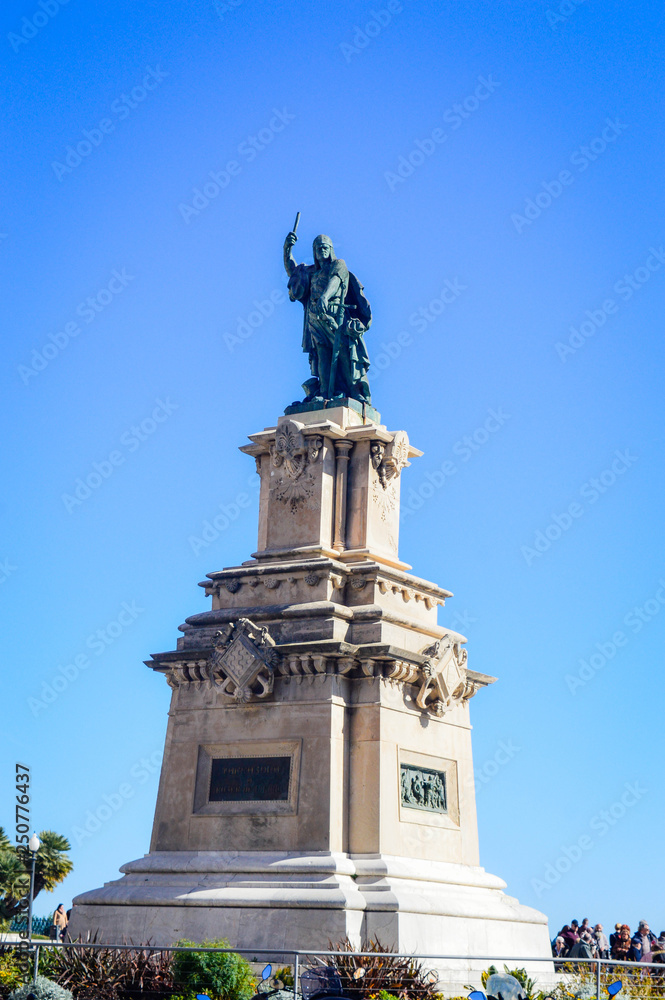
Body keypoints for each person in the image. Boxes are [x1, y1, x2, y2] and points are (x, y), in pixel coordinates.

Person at [283, 231, 372, 405]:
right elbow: (292, 271)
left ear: (330, 249)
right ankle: (324, 391)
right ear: (314, 252)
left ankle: (354, 391)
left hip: (335, 316)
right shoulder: (311, 273)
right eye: (318, 249)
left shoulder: (339, 264)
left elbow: (336, 280)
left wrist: (325, 296)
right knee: (322, 353)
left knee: (344, 351)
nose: (322, 251)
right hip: (314, 317)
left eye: (325, 247)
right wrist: (287, 249)